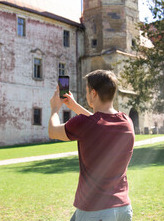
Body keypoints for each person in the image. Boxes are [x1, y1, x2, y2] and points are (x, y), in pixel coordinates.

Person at [49, 70, 135, 221]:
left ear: (93, 93)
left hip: (95, 211)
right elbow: (100, 123)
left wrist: (55, 109)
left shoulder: (84, 124)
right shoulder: (126, 121)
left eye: (87, 91)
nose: (87, 94)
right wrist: (75, 106)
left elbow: (53, 131)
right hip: (123, 209)